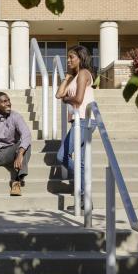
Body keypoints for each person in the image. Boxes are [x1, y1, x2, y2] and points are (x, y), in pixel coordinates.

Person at [55, 45, 96, 197]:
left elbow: (78, 99)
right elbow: (58, 94)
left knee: (62, 156)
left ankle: (84, 186)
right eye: (68, 57)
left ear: (81, 58)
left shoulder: (84, 73)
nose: (68, 60)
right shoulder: (74, 77)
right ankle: (86, 197)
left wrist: (67, 99)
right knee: (82, 162)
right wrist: (66, 77)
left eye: (72, 57)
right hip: (80, 120)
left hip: (84, 119)